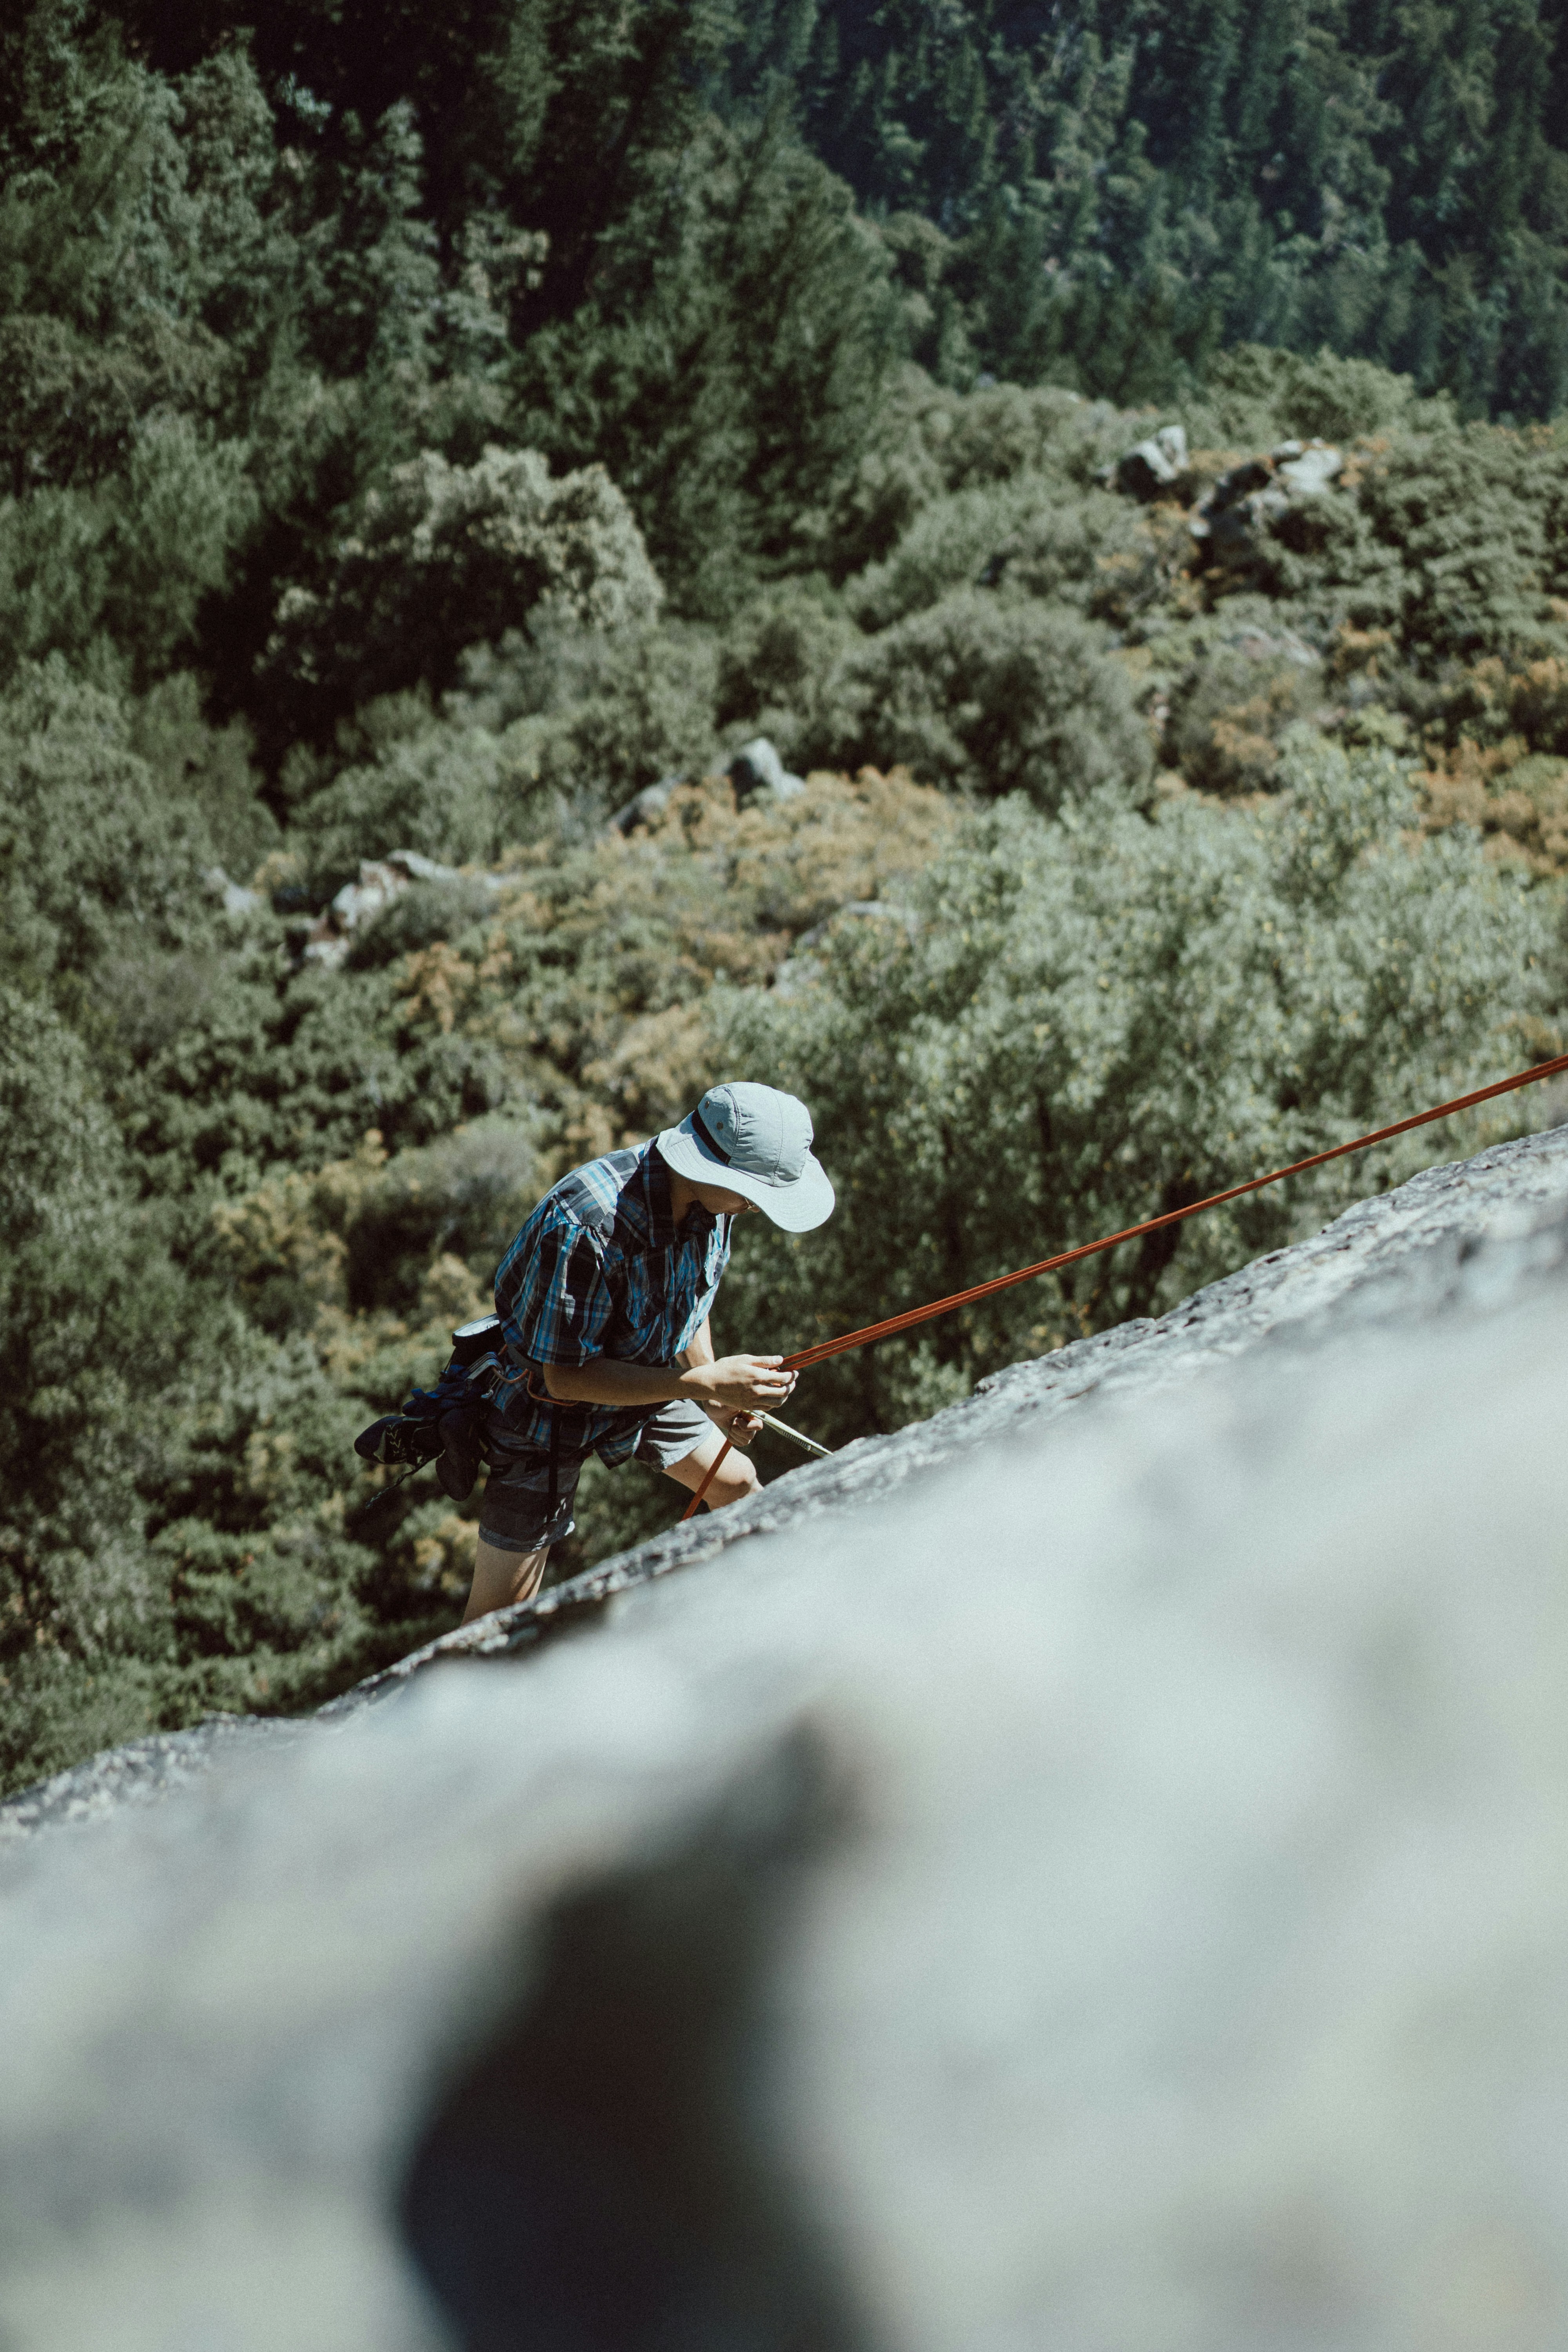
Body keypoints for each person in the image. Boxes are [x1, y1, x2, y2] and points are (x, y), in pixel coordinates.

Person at [459, 1080, 835, 1624]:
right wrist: (702, 1387)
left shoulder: (715, 1203)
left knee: (739, 1486)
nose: (754, 1208)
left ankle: (759, 1618)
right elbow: (565, 1377)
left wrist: (713, 1388)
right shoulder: (589, 1222)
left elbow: (690, 1298)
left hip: (647, 1378)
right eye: (752, 1193)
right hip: (540, 1408)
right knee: (499, 1615)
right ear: (711, 1168)